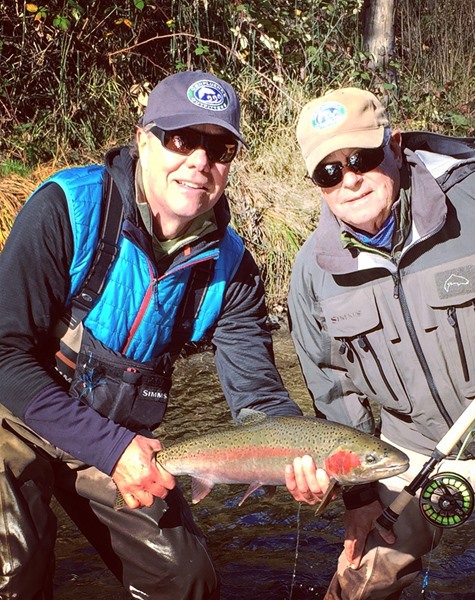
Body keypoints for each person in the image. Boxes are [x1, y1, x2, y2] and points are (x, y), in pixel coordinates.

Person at [0, 71, 311, 599]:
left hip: (116, 432)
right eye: (181, 140)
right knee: (13, 570)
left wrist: (301, 456)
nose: (200, 162)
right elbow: (3, 355)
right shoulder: (66, 209)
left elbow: (258, 397)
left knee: (185, 579)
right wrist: (113, 448)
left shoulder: (231, 270)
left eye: (220, 148)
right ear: (144, 140)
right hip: (16, 413)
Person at [286, 86, 475, 599]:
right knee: (359, 586)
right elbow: (335, 393)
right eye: (330, 171)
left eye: (362, 157)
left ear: (395, 143)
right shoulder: (311, 274)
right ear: (316, 183)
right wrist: (358, 495)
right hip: (403, 453)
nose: (351, 179)